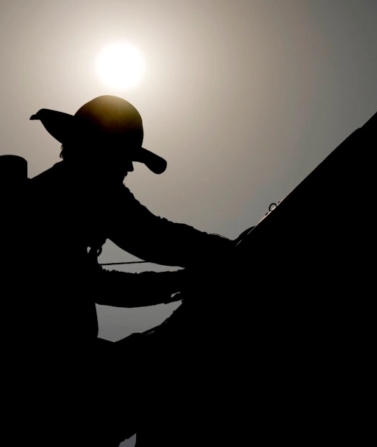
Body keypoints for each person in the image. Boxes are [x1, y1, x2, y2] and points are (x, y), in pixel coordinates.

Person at [23, 95, 235, 444]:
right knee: (165, 378)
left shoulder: (70, 186)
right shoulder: (89, 187)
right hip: (48, 368)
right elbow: (152, 239)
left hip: (58, 361)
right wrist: (215, 259)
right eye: (124, 157)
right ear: (98, 151)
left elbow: (147, 242)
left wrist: (190, 272)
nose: (129, 168)